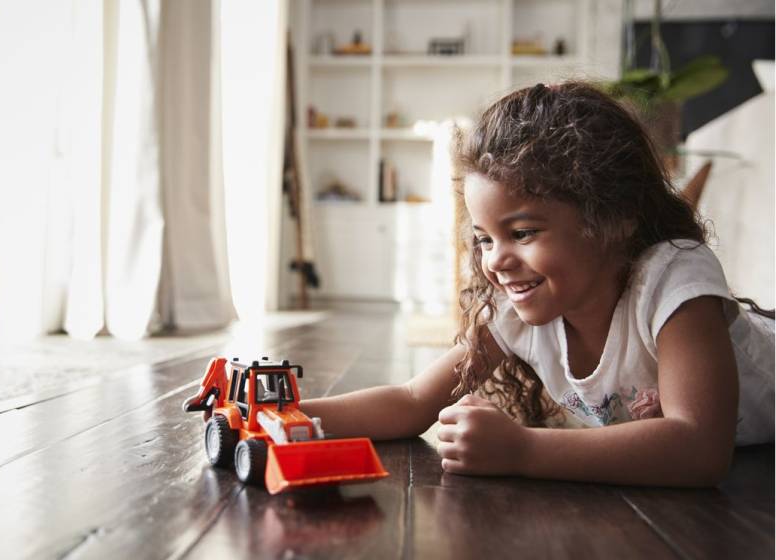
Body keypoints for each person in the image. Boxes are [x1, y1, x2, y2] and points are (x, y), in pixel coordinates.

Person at [301, 81, 775, 487]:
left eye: (523, 233)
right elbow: (410, 402)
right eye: (484, 239)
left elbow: (699, 447)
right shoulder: (524, 309)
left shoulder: (672, 278)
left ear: (613, 218)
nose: (495, 261)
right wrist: (276, 412)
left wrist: (523, 451)